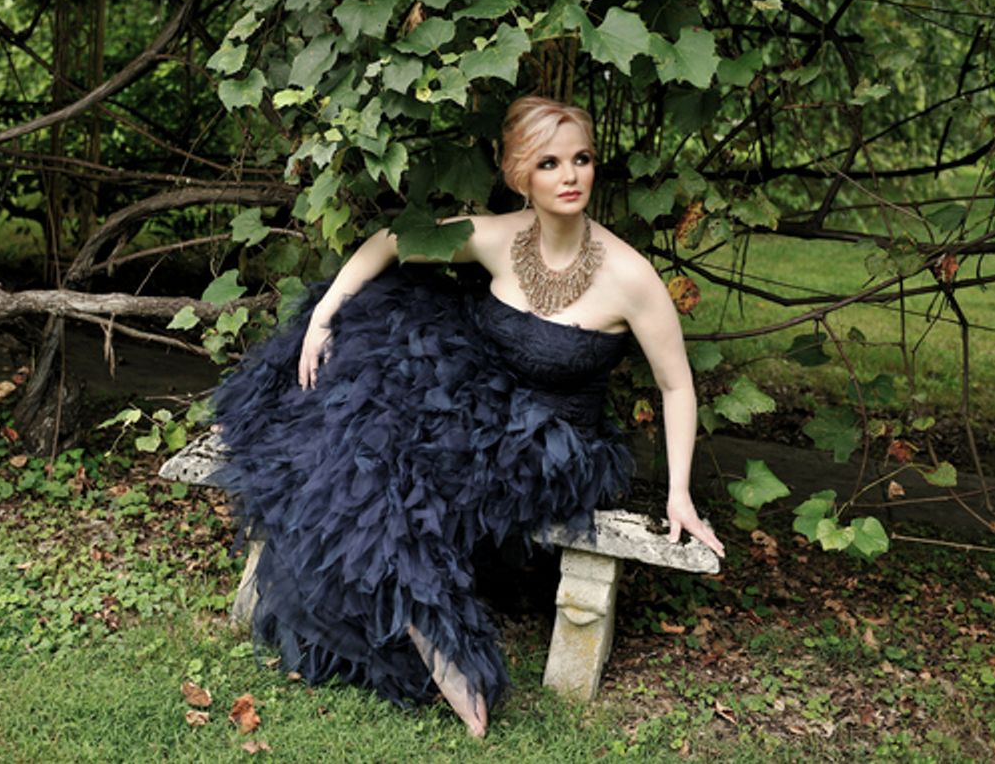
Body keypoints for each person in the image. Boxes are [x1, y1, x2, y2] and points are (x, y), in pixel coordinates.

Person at [213, 96, 725, 738]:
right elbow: (392, 240)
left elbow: (676, 386)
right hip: (474, 402)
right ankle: (421, 616)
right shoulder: (498, 237)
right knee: (372, 391)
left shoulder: (631, 276)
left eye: (582, 159)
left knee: (397, 454)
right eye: (550, 163)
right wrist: (323, 316)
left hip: (551, 448)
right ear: (521, 176)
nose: (570, 176)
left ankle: (430, 622)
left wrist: (679, 492)